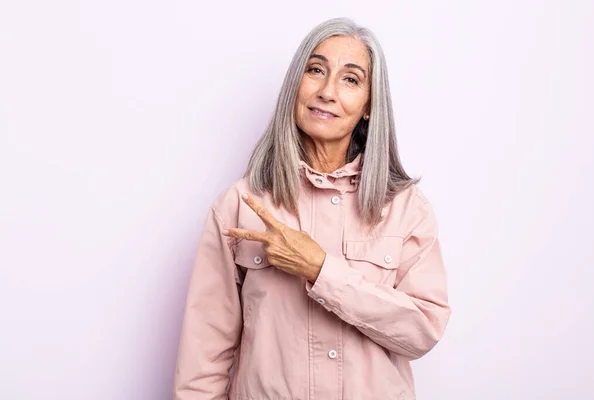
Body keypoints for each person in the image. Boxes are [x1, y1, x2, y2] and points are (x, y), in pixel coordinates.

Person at [172, 17, 451, 400]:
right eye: (316, 70)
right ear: (295, 87)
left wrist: (320, 270)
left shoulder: (404, 208)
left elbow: (423, 330)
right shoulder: (241, 205)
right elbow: (203, 361)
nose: (327, 91)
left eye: (350, 79)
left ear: (369, 106)